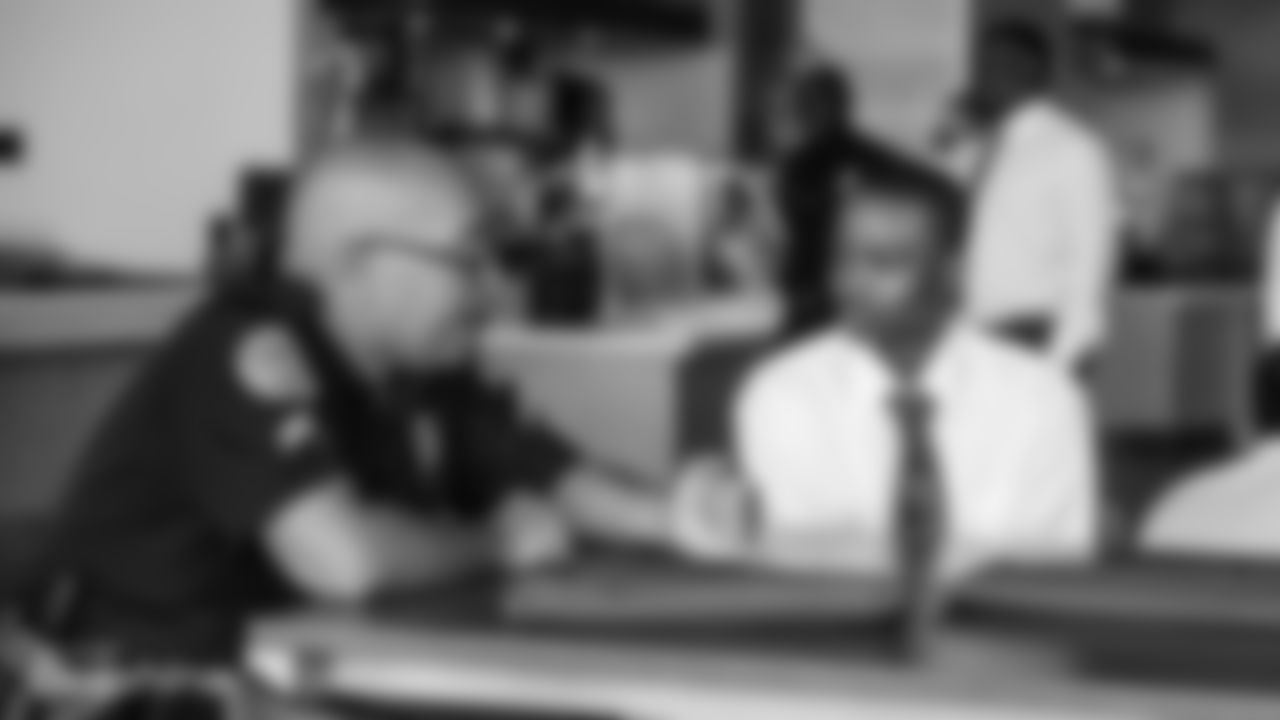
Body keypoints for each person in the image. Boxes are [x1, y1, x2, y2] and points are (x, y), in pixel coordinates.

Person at [28, 140, 602, 665]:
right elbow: (347, 563)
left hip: (292, 668)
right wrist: (494, 544)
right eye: (465, 260)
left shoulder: (416, 365)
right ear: (358, 266)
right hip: (135, 683)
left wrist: (657, 514)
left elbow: (555, 482)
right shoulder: (240, 345)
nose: (494, 290)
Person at [674, 177, 1100, 577]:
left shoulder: (1040, 398)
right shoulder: (783, 395)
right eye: (843, 258)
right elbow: (806, 568)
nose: (850, 281)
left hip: (999, 627)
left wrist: (853, 546)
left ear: (951, 273)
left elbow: (1047, 570)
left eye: (883, 262)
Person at [962, 21, 1120, 371]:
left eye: (993, 64)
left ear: (1031, 69)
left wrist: (1068, 352)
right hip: (976, 333)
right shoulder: (982, 149)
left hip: (1037, 332)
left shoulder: (1072, 147)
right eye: (981, 65)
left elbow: (1092, 254)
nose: (981, 78)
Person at [774, 65, 953, 336]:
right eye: (801, 102)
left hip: (832, 293)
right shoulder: (801, 162)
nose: (802, 110)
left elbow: (940, 191)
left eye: (810, 102)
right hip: (814, 290)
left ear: (836, 105)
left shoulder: (853, 159)